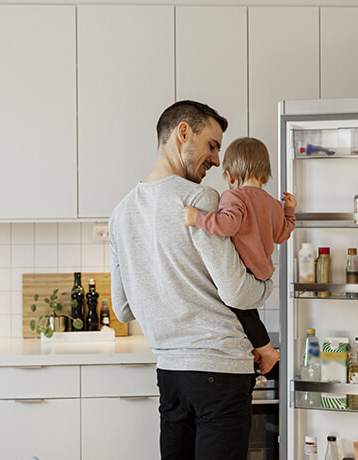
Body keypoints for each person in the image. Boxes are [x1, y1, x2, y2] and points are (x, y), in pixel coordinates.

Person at [109, 100, 274, 460]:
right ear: (183, 132)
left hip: (170, 376)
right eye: (212, 145)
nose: (217, 160)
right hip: (220, 372)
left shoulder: (120, 214)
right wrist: (266, 285)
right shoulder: (200, 199)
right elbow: (237, 291)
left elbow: (122, 309)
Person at [182, 137, 296, 376]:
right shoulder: (274, 205)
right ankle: (259, 348)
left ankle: (267, 351)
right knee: (243, 312)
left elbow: (226, 226)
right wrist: (289, 210)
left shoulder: (234, 197)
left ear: (230, 175)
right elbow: (284, 234)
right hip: (263, 280)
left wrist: (197, 218)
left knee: (233, 304)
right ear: (266, 175)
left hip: (245, 278)